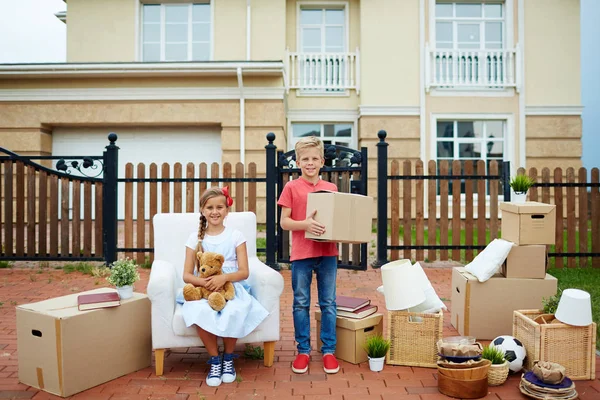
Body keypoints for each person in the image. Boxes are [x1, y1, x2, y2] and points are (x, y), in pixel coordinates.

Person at [181, 186, 269, 387]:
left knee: (235, 309)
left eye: (219, 207)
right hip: (203, 289)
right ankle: (214, 360)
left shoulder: (236, 236)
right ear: (202, 210)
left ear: (227, 210)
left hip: (231, 287)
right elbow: (186, 275)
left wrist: (223, 279)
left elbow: (244, 271)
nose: (215, 211)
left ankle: (228, 358)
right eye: (210, 207)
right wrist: (205, 283)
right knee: (198, 310)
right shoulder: (194, 239)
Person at [277, 136, 340, 374]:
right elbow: (284, 222)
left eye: (315, 158)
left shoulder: (331, 188)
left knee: (328, 303)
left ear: (322, 161)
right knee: (300, 303)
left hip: (327, 253)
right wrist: (305, 224)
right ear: (297, 161)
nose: (310, 163)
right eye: (305, 159)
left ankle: (328, 351)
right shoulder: (291, 187)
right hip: (302, 254)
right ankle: (303, 350)